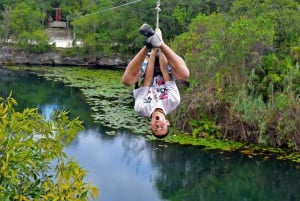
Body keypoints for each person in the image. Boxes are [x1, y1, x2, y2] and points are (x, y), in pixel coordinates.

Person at [122, 24, 189, 138]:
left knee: (127, 81)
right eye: (162, 127)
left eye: (155, 127)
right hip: (165, 65)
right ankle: (160, 41)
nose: (158, 125)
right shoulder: (173, 101)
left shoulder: (141, 108)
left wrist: (152, 49)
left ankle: (148, 43)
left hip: (149, 68)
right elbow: (165, 73)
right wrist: (159, 47)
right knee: (184, 75)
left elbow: (147, 81)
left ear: (150, 125)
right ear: (167, 122)